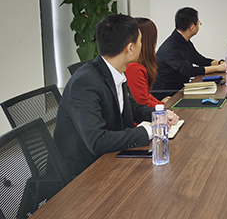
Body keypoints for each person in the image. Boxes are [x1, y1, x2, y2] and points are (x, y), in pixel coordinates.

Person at [54, 14, 179, 177]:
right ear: (130, 48)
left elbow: (130, 106)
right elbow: (97, 141)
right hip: (84, 172)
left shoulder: (115, 70)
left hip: (112, 158)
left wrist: (159, 115)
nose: (142, 45)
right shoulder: (84, 83)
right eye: (140, 41)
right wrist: (150, 130)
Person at [153, 7, 226, 99]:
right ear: (192, 27)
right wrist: (218, 68)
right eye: (199, 23)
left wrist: (220, 63)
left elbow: (200, 60)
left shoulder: (183, 41)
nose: (199, 25)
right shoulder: (171, 47)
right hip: (166, 95)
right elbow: (189, 71)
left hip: (179, 89)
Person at [125, 17, 169, 108]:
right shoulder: (133, 67)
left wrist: (161, 104)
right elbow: (142, 101)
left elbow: (146, 95)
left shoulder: (140, 64)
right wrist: (163, 107)